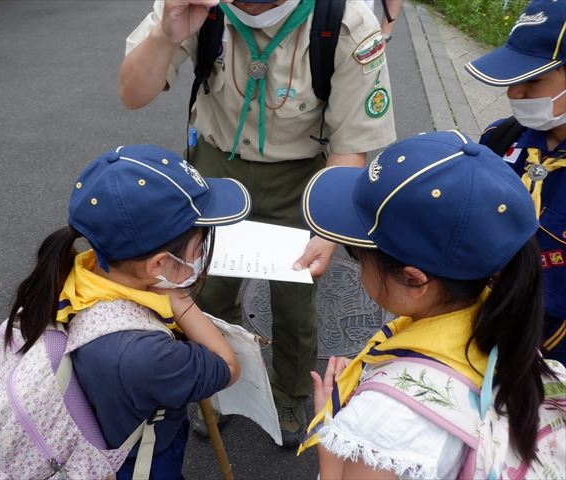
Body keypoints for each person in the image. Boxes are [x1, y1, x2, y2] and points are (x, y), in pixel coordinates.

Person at [119, 0, 396, 447]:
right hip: (215, 165)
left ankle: (291, 393)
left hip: (301, 174)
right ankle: (218, 384)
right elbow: (132, 94)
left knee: (293, 297)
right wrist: (164, 36)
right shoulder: (198, 7)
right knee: (205, 287)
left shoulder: (344, 20)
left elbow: (351, 144)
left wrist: (325, 230)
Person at [297, 130, 551, 478]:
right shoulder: (499, 320)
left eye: (357, 253)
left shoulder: (385, 423)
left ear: (414, 280)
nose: (355, 264)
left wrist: (329, 428)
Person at [3, 144, 250, 479]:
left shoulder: (79, 271)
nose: (203, 252)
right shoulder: (147, 356)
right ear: (160, 263)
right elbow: (227, 366)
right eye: (200, 244)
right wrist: (179, 301)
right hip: (137, 462)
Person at [465, 0, 565, 365]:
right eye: (512, 79)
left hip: (550, 367)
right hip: (477, 333)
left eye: (532, 79)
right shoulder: (500, 139)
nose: (514, 94)